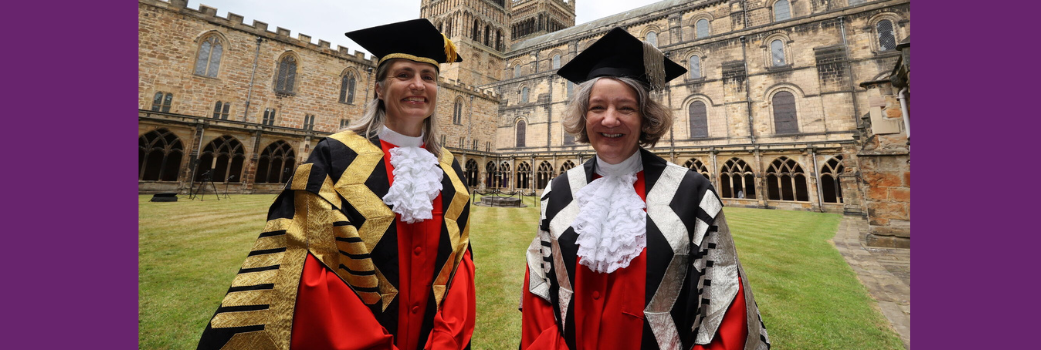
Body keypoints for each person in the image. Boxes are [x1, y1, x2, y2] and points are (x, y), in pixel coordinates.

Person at [197, 19, 475, 350]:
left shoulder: (450, 169)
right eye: (404, 75)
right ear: (380, 88)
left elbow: (460, 264)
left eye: (428, 77)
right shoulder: (335, 155)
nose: (418, 85)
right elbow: (309, 263)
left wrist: (445, 341)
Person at [520, 28, 770, 350]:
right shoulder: (559, 191)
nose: (610, 120)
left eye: (625, 108)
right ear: (584, 117)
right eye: (597, 107)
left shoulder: (690, 193)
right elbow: (538, 286)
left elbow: (723, 300)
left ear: (645, 117)